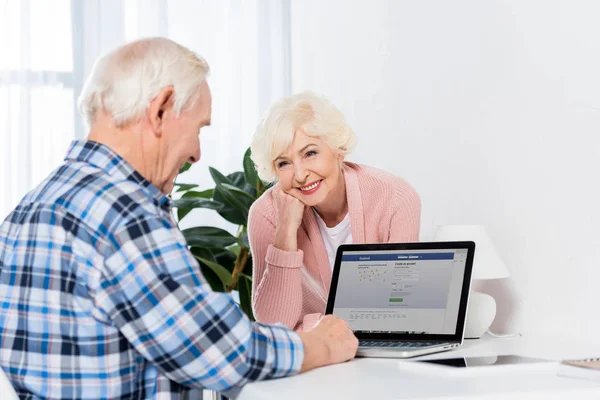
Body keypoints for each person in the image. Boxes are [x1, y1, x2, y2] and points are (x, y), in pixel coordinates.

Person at [0, 38, 358, 399]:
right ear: (160, 109)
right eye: (199, 128)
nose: (197, 154)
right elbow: (216, 349)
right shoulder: (123, 212)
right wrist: (320, 346)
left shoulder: (27, 210)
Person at [248, 91, 421, 331]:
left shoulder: (395, 198)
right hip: (312, 362)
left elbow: (395, 310)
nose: (300, 175)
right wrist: (286, 232)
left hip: (384, 358)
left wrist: (315, 325)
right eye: (284, 163)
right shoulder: (266, 214)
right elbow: (273, 327)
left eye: (310, 153)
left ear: (338, 151)